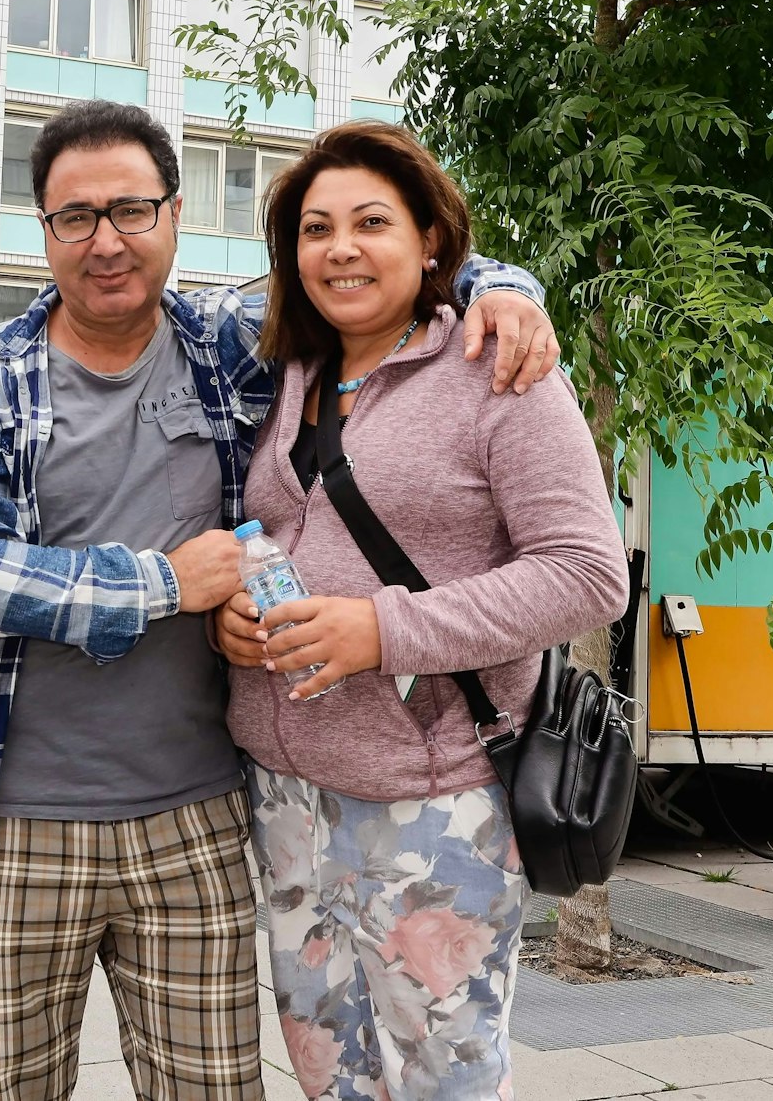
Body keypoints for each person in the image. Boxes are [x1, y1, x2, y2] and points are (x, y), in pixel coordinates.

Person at [0, 102, 561, 1100]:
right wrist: (167, 584)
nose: (106, 240)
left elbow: (375, 267)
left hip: (200, 818)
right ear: (41, 229)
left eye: (132, 209)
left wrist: (505, 289)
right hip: (12, 825)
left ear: (175, 213)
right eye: (75, 217)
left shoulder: (228, 342)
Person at [214, 121, 629, 1100]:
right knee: (327, 1072)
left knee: (444, 1078)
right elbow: (281, 534)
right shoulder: (286, 374)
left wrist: (383, 631)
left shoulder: (499, 370)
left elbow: (585, 573)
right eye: (315, 229)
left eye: (371, 223)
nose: (340, 249)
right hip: (284, 798)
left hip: (430, 798)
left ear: (431, 240)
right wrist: (227, 619)